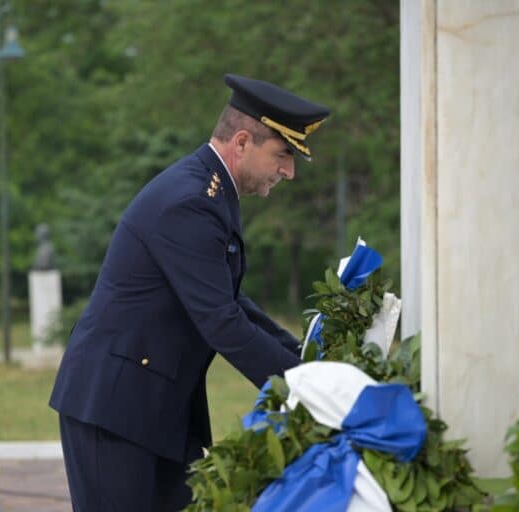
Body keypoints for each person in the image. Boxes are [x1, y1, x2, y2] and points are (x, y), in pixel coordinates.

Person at [49, 73, 330, 511]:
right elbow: (221, 321)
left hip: (154, 409)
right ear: (241, 142)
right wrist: (311, 387)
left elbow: (232, 303)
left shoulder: (209, 193)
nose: (289, 172)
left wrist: (304, 359)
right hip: (117, 411)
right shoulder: (191, 200)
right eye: (282, 154)